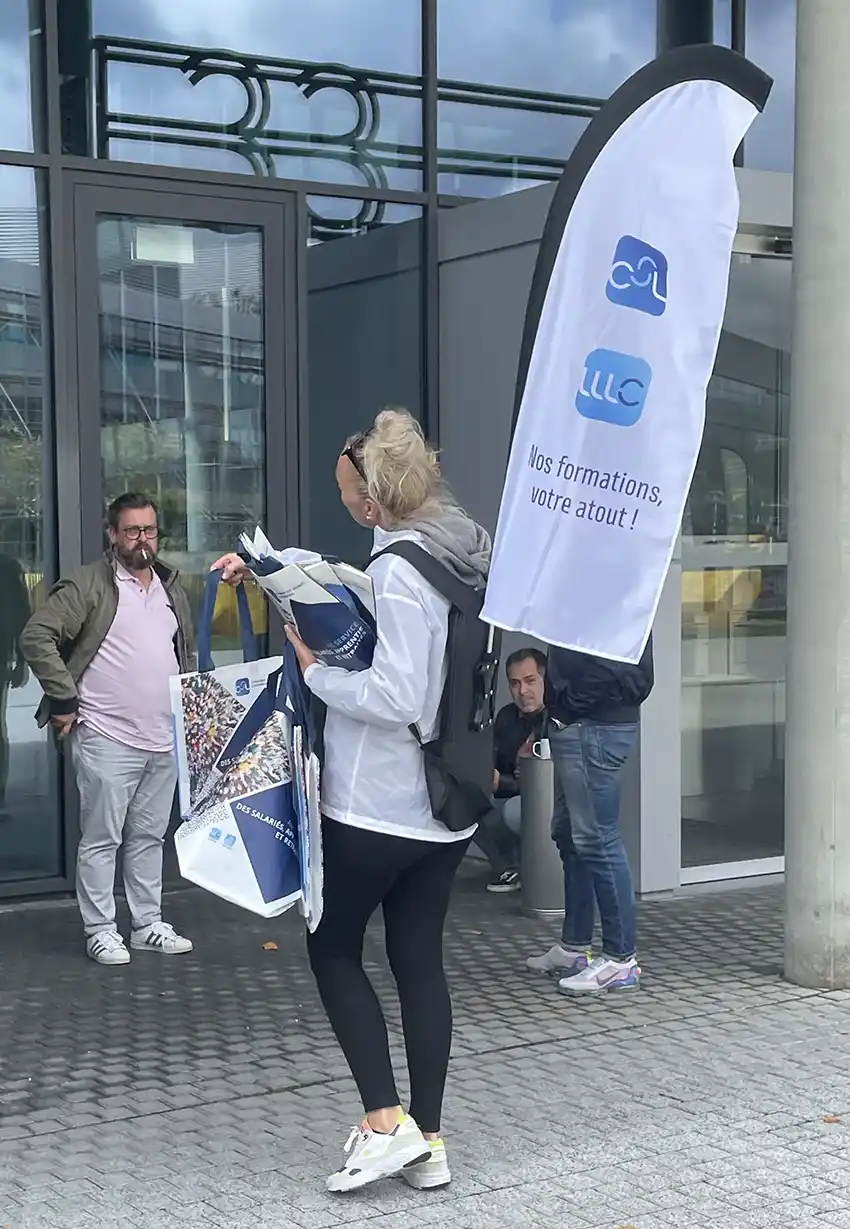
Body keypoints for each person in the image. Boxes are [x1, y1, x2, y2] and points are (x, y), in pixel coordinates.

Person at [213, 408, 490, 1195]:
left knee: (332, 946)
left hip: (377, 803)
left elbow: (398, 689)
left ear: (375, 500)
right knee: (418, 961)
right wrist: (274, 568)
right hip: (448, 805)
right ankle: (429, 1142)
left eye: (346, 491)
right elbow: (355, 586)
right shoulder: (459, 548)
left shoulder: (405, 565)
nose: (343, 502)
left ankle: (382, 1121)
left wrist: (315, 672)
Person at [20, 493, 195, 965]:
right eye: (133, 530)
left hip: (163, 736)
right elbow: (37, 635)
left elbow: (183, 653)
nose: (143, 540)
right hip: (107, 735)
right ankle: (100, 929)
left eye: (150, 531)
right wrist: (63, 696)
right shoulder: (88, 584)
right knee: (102, 838)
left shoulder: (169, 586)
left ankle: (147, 924)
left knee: (149, 837)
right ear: (113, 534)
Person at [526, 638, 653, 995]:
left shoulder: (608, 588)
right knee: (570, 836)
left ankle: (619, 959)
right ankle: (575, 947)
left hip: (590, 725)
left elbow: (616, 667)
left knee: (597, 840)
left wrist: (565, 711)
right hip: (582, 724)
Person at [474, 647, 548, 893]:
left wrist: (503, 783)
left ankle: (545, 871)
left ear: (545, 681)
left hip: (551, 804)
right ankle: (510, 868)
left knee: (515, 811)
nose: (523, 691)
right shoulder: (506, 717)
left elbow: (551, 783)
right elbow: (488, 759)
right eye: (515, 683)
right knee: (466, 804)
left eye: (530, 681)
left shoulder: (558, 718)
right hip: (511, 794)